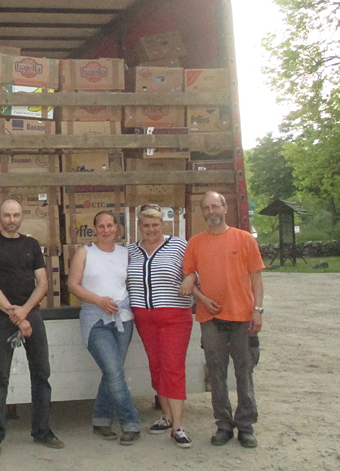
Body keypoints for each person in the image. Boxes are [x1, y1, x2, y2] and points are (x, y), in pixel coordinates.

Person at [0, 198, 63, 457]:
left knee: (41, 375)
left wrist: (25, 312)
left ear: (21, 216)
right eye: (7, 215)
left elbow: (43, 283)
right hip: (4, 318)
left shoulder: (31, 245)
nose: (12, 220)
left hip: (31, 315)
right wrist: (16, 315)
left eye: (16, 215)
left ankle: (41, 431)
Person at [179, 191, 265, 449]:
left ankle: (246, 426)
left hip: (242, 317)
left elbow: (257, 277)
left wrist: (258, 309)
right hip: (211, 319)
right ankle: (224, 425)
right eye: (206, 208)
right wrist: (202, 299)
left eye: (215, 206)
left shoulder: (244, 239)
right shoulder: (195, 243)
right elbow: (188, 280)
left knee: (244, 371)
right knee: (216, 373)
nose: (211, 211)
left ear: (225, 208)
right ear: (202, 213)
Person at [67, 210, 142, 445]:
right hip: (95, 320)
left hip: (123, 319)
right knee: (114, 371)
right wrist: (98, 300)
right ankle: (131, 422)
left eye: (111, 225)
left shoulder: (125, 253)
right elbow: (72, 284)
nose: (106, 230)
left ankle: (100, 420)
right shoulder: (84, 252)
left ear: (117, 229)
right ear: (94, 228)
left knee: (112, 372)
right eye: (101, 226)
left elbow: (131, 283)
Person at [126, 205, 193, 448]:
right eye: (146, 225)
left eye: (155, 224)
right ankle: (165, 416)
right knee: (156, 366)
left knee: (173, 367)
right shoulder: (131, 250)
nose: (151, 229)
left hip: (175, 316)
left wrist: (190, 277)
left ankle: (178, 427)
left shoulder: (178, 245)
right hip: (145, 318)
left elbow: (195, 270)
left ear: (162, 225)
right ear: (139, 226)